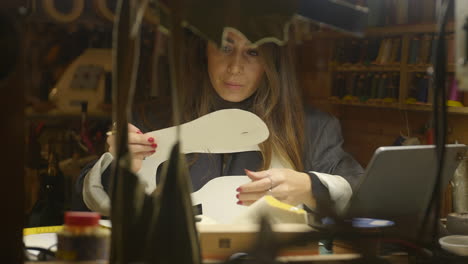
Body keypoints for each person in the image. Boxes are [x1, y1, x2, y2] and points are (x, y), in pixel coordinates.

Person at [74, 29, 364, 217]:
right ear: (204, 51)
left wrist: (309, 186)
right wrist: (121, 165)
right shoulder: (152, 120)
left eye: (252, 52)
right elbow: (86, 199)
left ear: (272, 60)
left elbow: (362, 193)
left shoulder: (313, 127)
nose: (235, 67)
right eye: (225, 48)